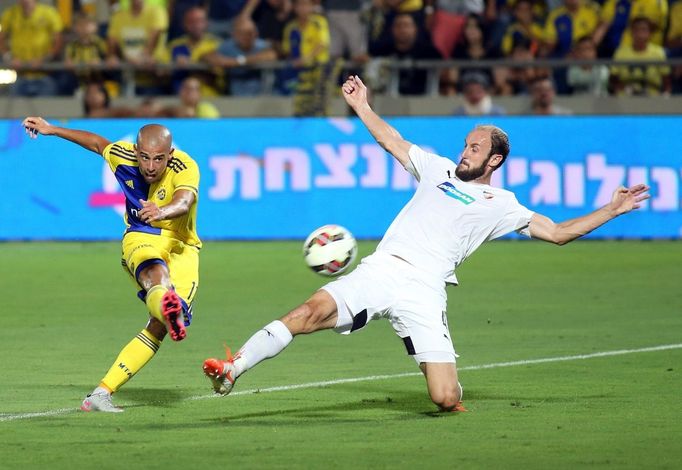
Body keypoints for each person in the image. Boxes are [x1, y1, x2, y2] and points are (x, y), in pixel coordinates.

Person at [202, 74, 650, 412]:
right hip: (382, 268)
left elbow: (557, 234)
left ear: (495, 159)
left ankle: (440, 376)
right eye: (466, 144)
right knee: (306, 313)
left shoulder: (503, 202)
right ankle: (232, 369)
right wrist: (362, 106)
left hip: (425, 289)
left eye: (475, 148)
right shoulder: (436, 169)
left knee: (444, 397)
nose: (465, 151)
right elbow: (391, 139)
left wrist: (611, 210)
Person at [22, 117, 201, 413]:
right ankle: (167, 301)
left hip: (183, 246)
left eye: (159, 158)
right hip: (141, 235)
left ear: (170, 155)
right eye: (145, 157)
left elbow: (184, 202)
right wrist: (52, 130)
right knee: (156, 274)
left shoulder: (185, 166)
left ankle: (101, 393)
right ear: (136, 150)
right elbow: (95, 142)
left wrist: (162, 210)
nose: (151, 166)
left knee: (159, 326)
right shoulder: (122, 155)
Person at [0, 0, 64, 96]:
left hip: (44, 74)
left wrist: (44, 60)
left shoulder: (49, 13)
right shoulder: (9, 14)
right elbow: (1, 38)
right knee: (13, 107)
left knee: (48, 107)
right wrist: (10, 58)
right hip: (18, 75)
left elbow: (58, 40)